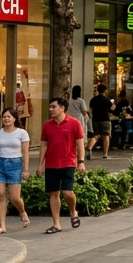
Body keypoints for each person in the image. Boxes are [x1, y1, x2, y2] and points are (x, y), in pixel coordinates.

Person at [37, 97, 86, 233]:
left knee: (67, 192)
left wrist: (81, 162)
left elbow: (80, 143)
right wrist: (40, 165)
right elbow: (44, 145)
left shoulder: (74, 123)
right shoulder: (47, 125)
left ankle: (73, 211)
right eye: (50, 107)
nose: (51, 109)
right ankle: (56, 224)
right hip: (51, 164)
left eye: (53, 107)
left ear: (62, 108)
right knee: (54, 193)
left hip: (68, 163)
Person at [0, 108, 30, 234]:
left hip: (15, 164)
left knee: (14, 198)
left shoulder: (22, 133)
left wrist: (26, 169)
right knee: (0, 195)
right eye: (4, 117)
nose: (6, 119)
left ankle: (22, 212)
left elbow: (25, 152)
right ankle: (2, 226)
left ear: (14, 118)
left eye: (9, 116)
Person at [88, 83, 114, 159]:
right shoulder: (107, 100)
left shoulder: (93, 99)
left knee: (96, 136)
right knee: (106, 136)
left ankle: (89, 148)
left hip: (95, 119)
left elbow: (91, 108)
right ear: (105, 91)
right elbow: (111, 109)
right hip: (105, 119)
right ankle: (105, 154)